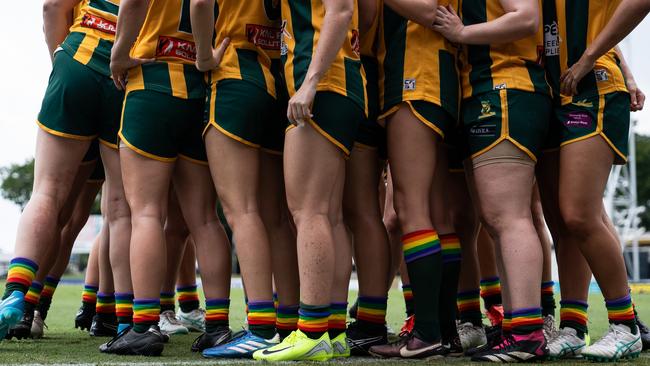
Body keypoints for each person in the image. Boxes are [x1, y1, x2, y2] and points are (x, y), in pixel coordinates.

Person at [102, 0, 232, 356]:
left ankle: (144, 324)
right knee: (204, 218)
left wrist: (119, 52)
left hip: (152, 78)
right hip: (201, 85)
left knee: (146, 212)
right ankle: (217, 324)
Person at [435, 0, 552, 361]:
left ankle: (528, 333)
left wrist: (463, 33)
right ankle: (519, 328)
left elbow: (527, 17)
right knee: (497, 219)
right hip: (487, 90)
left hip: (505, 87)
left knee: (508, 216)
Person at [0, 0, 123, 341]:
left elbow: (53, 7)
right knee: (124, 211)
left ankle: (21, 301)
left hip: (79, 62)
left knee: (48, 195)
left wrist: (62, 61)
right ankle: (123, 317)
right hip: (129, 80)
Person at [252, 0, 366, 361]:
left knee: (308, 211)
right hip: (334, 83)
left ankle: (312, 330)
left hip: (323, 85)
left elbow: (342, 9)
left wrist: (311, 82)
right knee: (327, 215)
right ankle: (331, 330)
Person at [537, 1, 644, 360]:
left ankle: (625, 325)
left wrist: (592, 58)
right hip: (554, 92)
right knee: (564, 223)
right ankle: (572, 325)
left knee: (579, 213)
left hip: (593, 86)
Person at [191, 0, 291, 357]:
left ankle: (262, 328)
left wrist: (203, 56)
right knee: (275, 217)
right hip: (276, 78)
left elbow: (201, 3)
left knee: (242, 212)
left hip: (234, 74)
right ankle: (288, 323)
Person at [367, 0, 460, 359]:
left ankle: (428, 331)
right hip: (431, 75)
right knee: (436, 213)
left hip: (416, 76)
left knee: (412, 208)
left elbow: (428, 10)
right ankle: (444, 330)